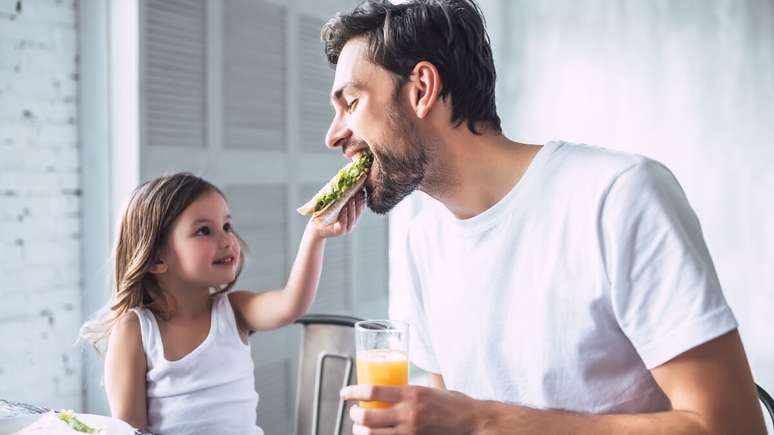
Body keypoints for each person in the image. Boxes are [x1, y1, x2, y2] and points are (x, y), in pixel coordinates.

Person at [321, 1, 767, 434]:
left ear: (421, 89)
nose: (333, 135)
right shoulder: (422, 240)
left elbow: (732, 426)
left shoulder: (619, 195)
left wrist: (482, 422)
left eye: (352, 103)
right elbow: (448, 416)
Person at [79, 173, 364, 434]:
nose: (227, 239)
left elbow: (292, 303)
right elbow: (129, 429)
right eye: (204, 230)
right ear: (155, 259)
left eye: (227, 225)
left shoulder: (234, 310)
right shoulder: (136, 329)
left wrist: (315, 234)